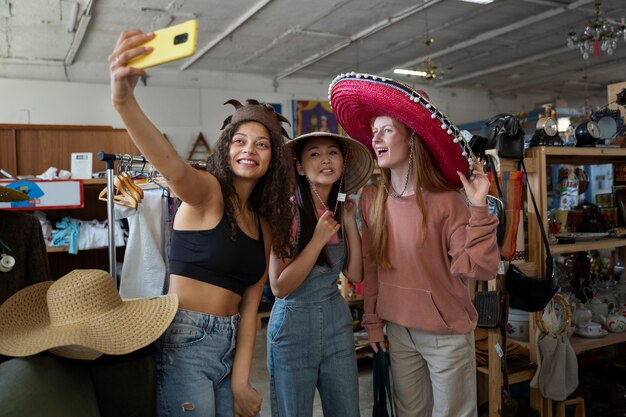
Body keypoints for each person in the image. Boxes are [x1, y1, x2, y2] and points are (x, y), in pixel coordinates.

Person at [108, 30, 294, 417]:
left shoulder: (262, 224)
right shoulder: (208, 194)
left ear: (272, 160)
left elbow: (248, 310)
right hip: (185, 342)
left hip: (228, 349)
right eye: (240, 141)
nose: (249, 149)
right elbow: (172, 166)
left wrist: (241, 380)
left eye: (262, 144)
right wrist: (124, 101)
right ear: (226, 149)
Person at [330, 73, 500, 417]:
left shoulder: (446, 201)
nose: (375, 137)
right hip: (398, 329)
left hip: (446, 333)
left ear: (411, 139)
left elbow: (479, 269)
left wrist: (479, 208)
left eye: (387, 129)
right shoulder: (372, 198)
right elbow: (374, 268)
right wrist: (373, 322)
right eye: (374, 130)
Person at [267, 132, 374, 417]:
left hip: (336, 322)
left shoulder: (338, 211)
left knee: (346, 410)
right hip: (293, 324)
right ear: (300, 167)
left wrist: (349, 222)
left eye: (333, 153)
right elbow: (279, 287)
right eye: (314, 153)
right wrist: (316, 240)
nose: (325, 160)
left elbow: (354, 273)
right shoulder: (288, 211)